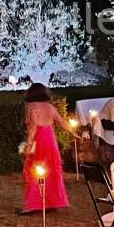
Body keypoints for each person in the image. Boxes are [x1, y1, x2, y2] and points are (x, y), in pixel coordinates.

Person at [21, 83, 72, 214]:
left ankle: (33, 204)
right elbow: (62, 122)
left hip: (39, 139)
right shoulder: (50, 107)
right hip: (50, 139)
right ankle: (52, 202)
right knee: (51, 169)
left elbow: (33, 127)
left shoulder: (31, 106)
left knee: (34, 170)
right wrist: (75, 133)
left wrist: (28, 144)